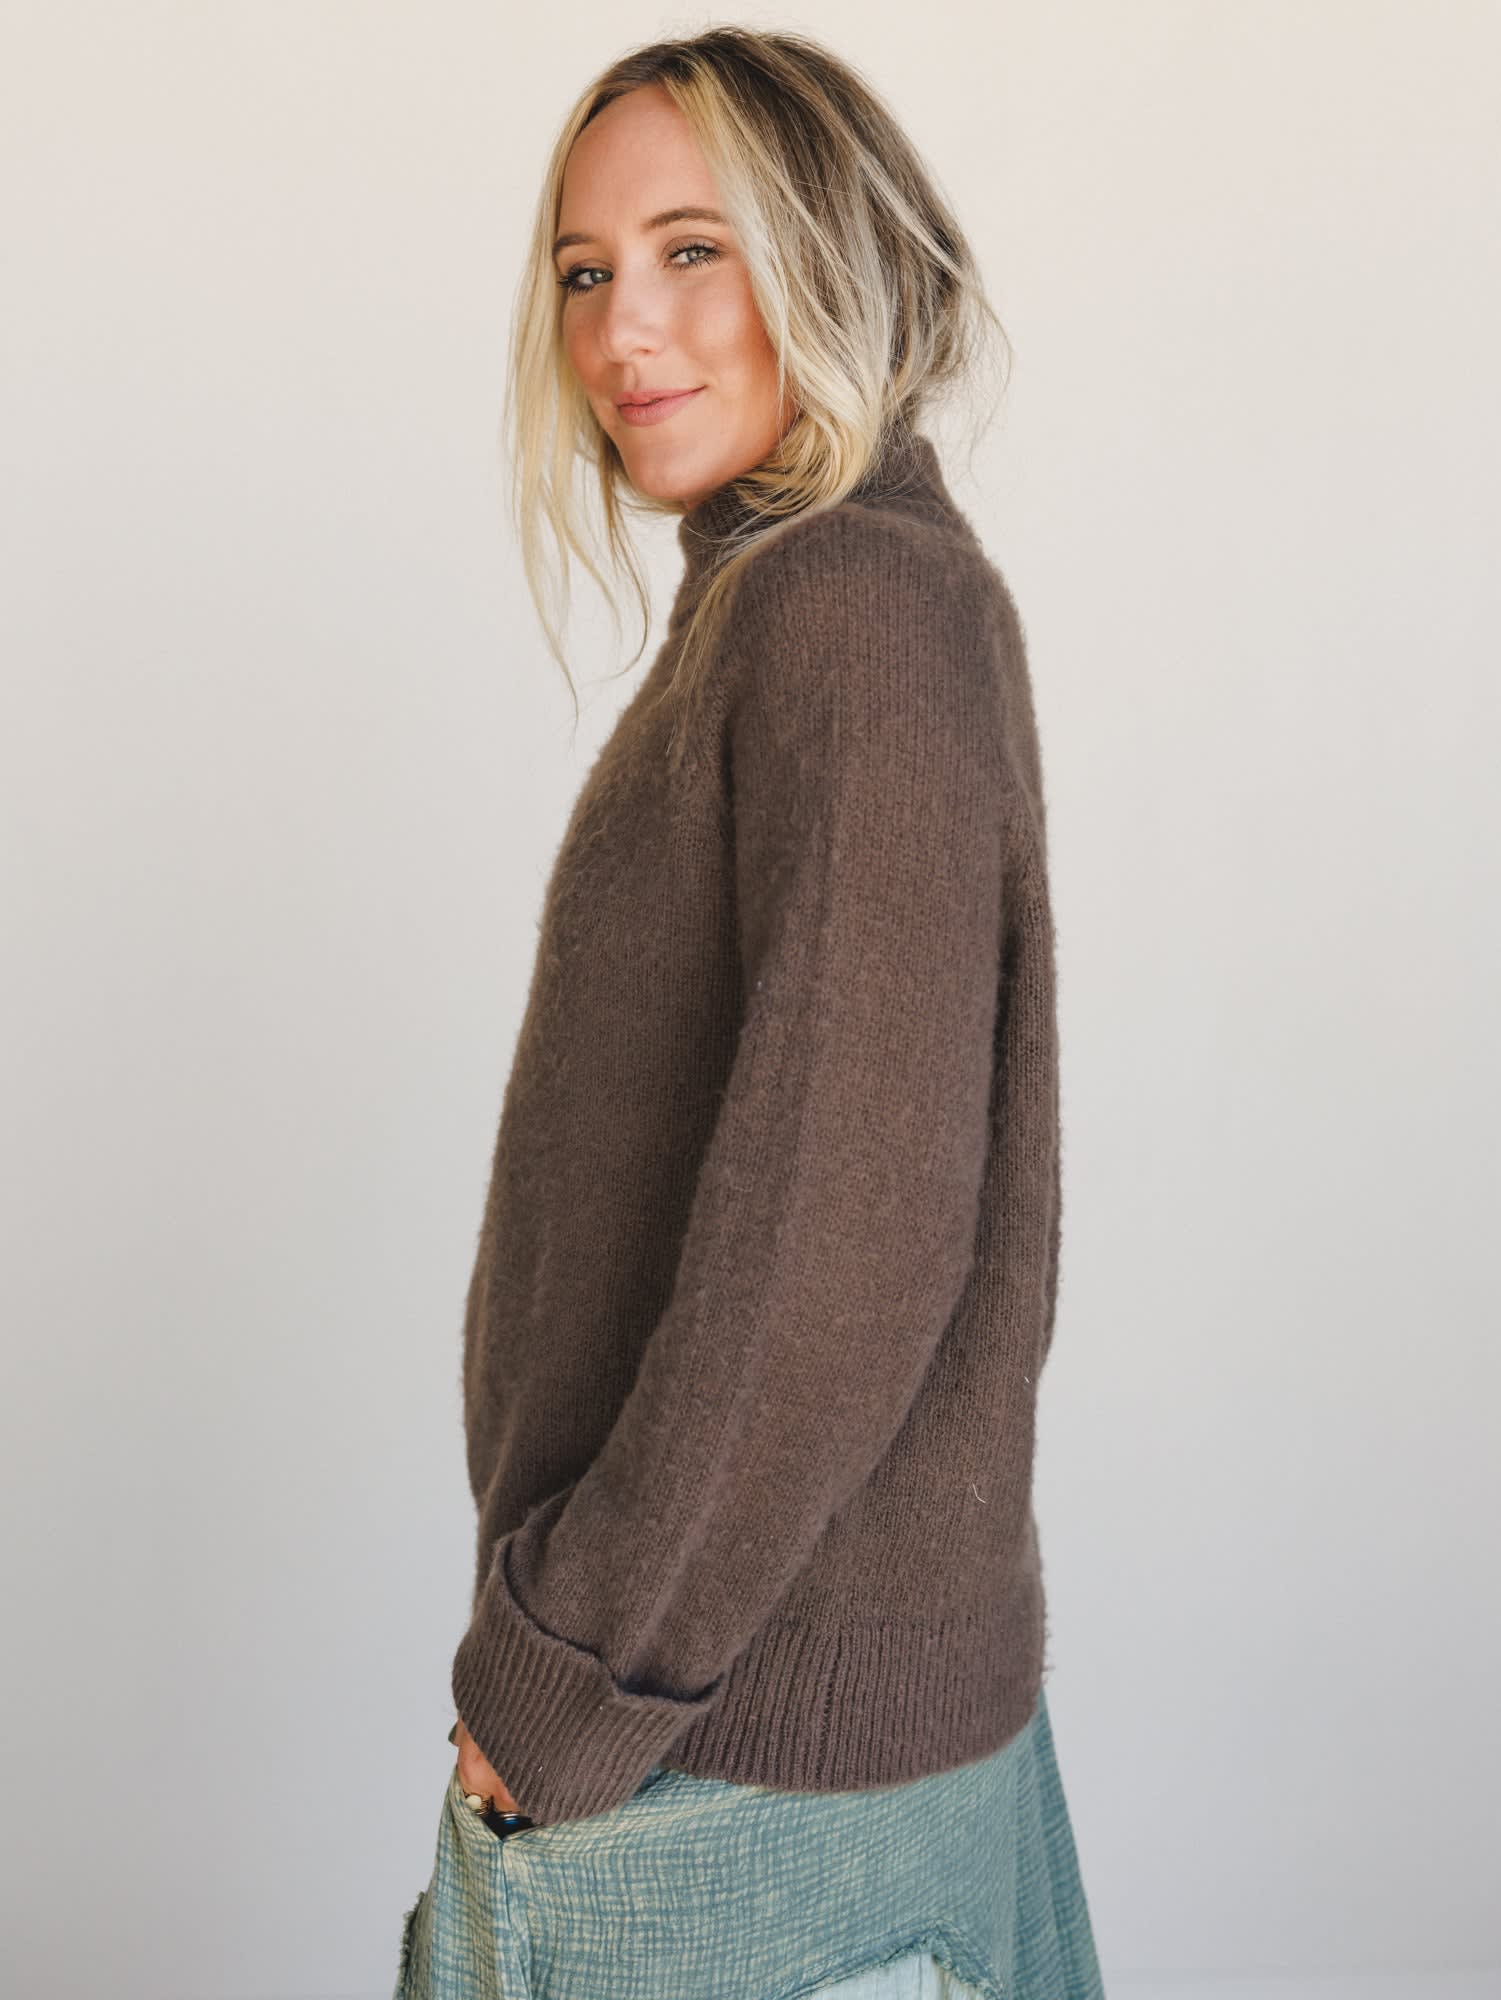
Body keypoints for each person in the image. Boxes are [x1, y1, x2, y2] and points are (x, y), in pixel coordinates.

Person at [395, 25, 1104, 2000]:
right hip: (774, 1739)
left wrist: (574, 1664)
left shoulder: (846, 602)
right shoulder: (807, 599)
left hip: (731, 1780)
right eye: (584, 270)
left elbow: (839, 1236)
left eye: (692, 250)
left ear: (832, 252)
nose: (623, 327)